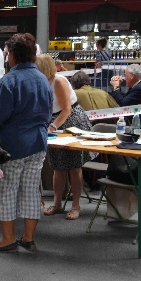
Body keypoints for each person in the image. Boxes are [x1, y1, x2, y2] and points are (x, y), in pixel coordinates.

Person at [0, 33, 53, 252]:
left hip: (12, 147)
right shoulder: (43, 78)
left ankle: (7, 240)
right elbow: (47, 114)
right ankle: (28, 237)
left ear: (13, 55)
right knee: (31, 192)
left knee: (6, 191)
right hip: (38, 144)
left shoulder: (10, 80)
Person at [36, 54, 97, 220]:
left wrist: (52, 126)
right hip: (54, 121)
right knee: (58, 166)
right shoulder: (41, 82)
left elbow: (66, 110)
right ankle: (57, 203)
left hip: (71, 122)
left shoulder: (59, 81)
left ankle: (76, 206)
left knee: (74, 167)